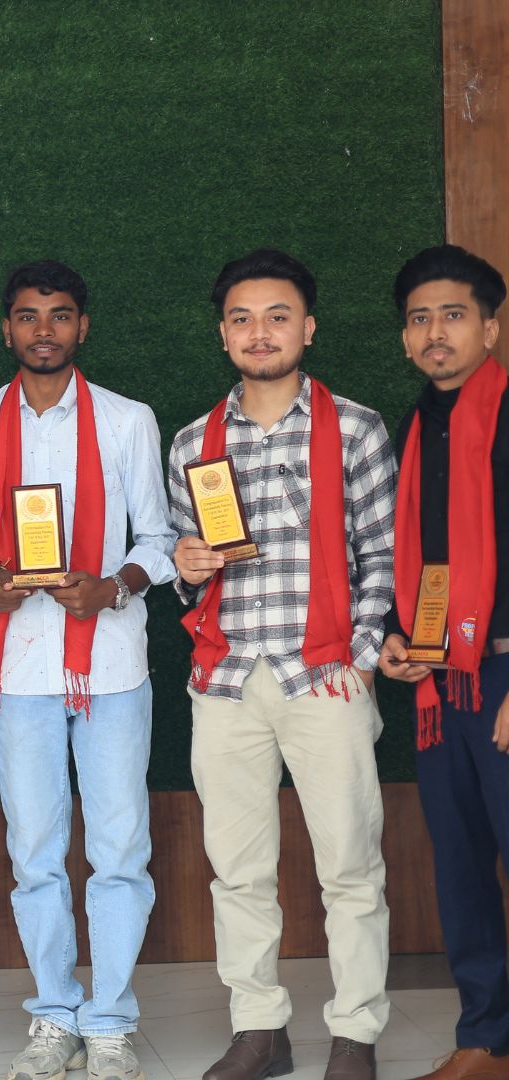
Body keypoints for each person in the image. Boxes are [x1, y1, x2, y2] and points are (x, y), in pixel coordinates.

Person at [0, 261, 175, 1080]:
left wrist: (113, 587)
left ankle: (109, 1022)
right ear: (6, 328)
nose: (44, 330)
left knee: (119, 850)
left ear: (83, 326)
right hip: (18, 665)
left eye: (61, 315)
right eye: (28, 316)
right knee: (35, 854)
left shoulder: (128, 420)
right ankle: (54, 1014)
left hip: (110, 665)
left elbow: (158, 539)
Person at [169, 250, 396, 1080]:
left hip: (325, 676)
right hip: (227, 682)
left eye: (276, 316)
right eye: (241, 318)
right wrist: (186, 564)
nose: (258, 332)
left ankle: (356, 1033)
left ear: (308, 327)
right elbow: (186, 562)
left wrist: (361, 659)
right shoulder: (193, 441)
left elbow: (384, 555)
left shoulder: (357, 429)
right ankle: (259, 1028)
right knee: (237, 871)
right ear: (223, 334)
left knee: (350, 868)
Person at [375, 246, 509, 1080]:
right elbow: (420, 554)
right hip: (439, 681)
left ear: (490, 328)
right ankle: (486, 1037)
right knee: (460, 866)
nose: (435, 332)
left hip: (503, 676)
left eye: (453, 315)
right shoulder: (419, 425)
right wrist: (399, 635)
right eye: (419, 319)